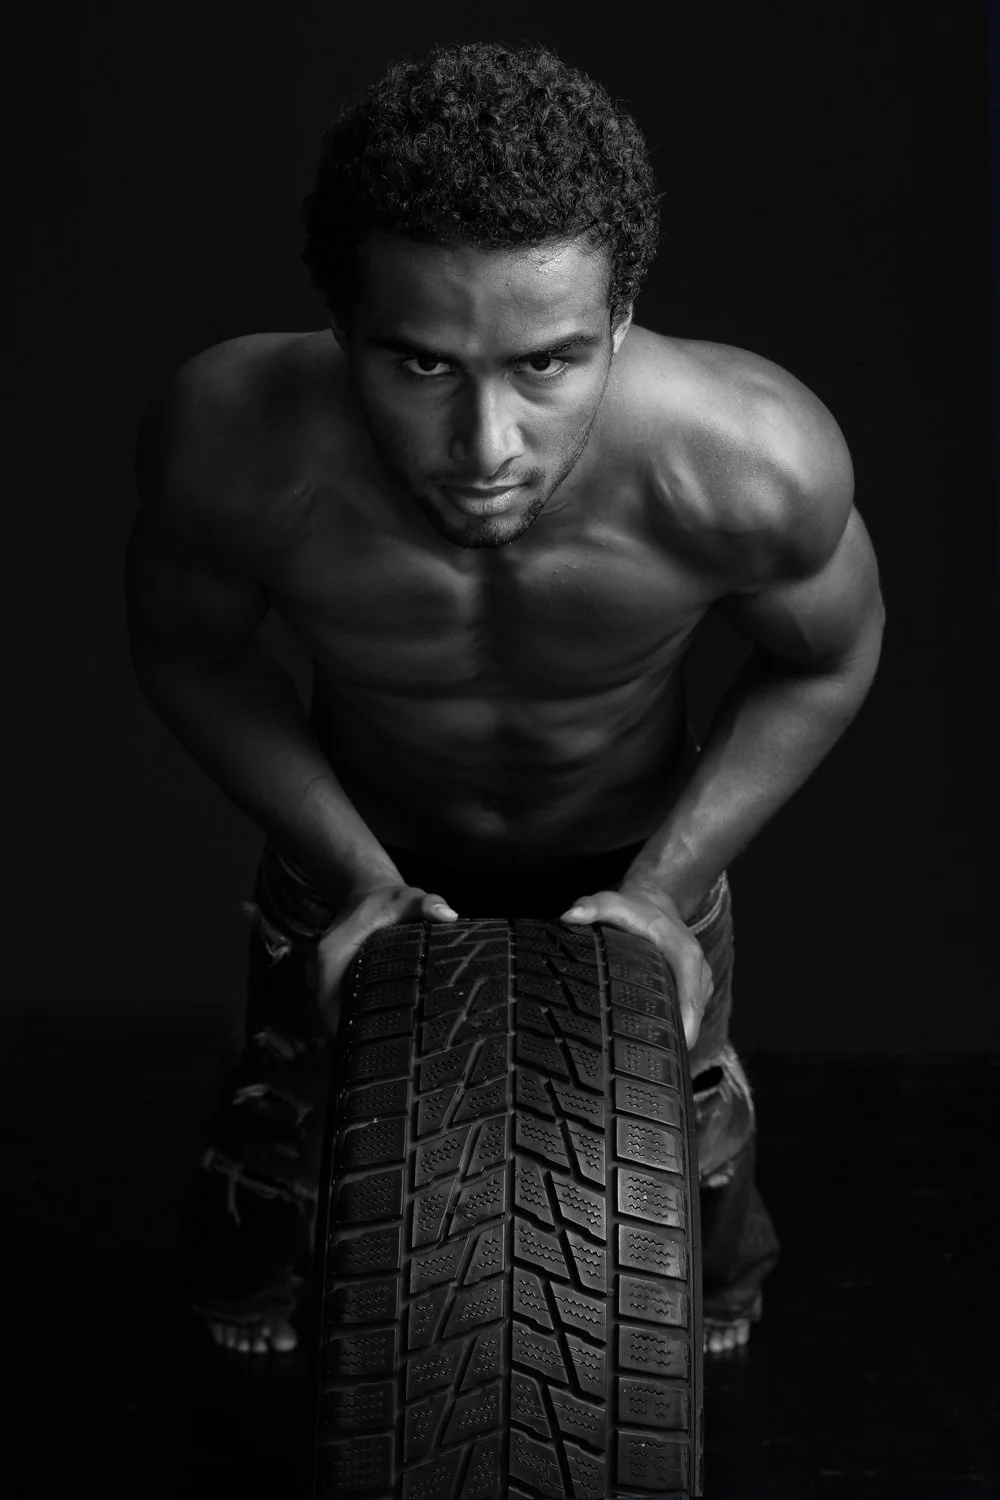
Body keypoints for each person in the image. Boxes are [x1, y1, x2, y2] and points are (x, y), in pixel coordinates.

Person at [125, 40, 884, 1361]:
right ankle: (245, 1296)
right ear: (343, 327)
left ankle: (716, 1295)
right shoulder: (236, 441)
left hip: (633, 840)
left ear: (622, 322)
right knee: (274, 1152)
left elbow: (829, 654)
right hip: (358, 832)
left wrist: (665, 891)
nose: (487, 450)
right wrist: (354, 877)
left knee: (695, 1178)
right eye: (421, 367)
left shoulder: (749, 461)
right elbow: (189, 650)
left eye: (546, 364)